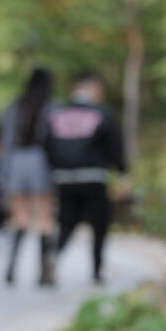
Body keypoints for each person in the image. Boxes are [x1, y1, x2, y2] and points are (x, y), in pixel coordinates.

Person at [45, 71, 125, 285]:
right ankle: (96, 272)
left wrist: (53, 170)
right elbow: (115, 145)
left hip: (64, 177)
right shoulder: (102, 113)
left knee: (67, 222)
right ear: (94, 88)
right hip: (93, 176)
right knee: (99, 224)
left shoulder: (57, 113)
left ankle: (54, 254)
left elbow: (46, 145)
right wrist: (122, 172)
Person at [0, 67, 57, 286]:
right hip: (40, 161)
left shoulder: (15, 106)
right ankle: (44, 272)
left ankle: (11, 268)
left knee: (19, 218)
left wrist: (3, 172)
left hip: (16, 162)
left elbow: (5, 141)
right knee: (45, 219)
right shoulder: (51, 106)